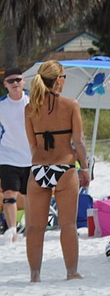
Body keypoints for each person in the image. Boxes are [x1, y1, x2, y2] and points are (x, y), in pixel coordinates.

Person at [23, 60, 90, 282]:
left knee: (35, 227)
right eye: (64, 77)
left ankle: (35, 275)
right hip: (65, 167)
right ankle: (71, 272)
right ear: (59, 80)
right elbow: (79, 141)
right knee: (68, 224)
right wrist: (85, 167)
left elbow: (32, 144)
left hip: (39, 168)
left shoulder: (30, 108)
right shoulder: (71, 105)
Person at [1, 67, 31, 242]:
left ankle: (29, 228)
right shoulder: (1, 105)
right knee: (9, 193)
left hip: (31, 157)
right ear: (5, 84)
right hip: (7, 156)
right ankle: (12, 230)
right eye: (11, 81)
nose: (15, 83)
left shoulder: (32, 102)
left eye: (18, 80)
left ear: (24, 81)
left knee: (29, 195)